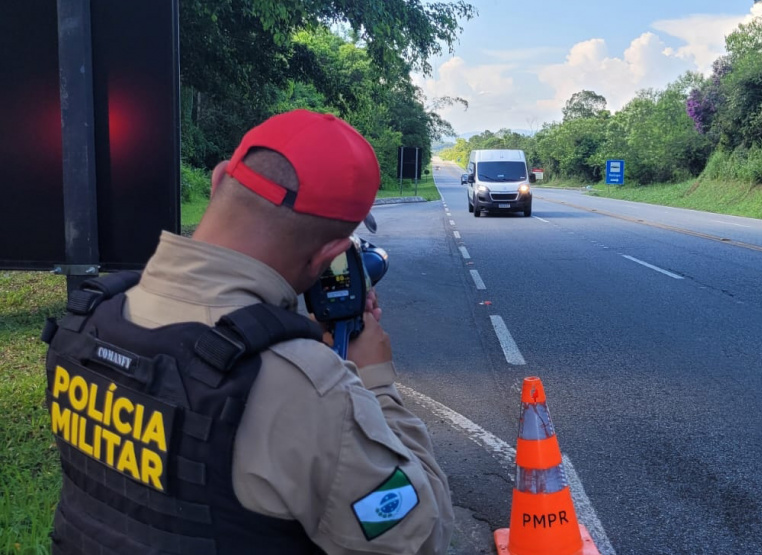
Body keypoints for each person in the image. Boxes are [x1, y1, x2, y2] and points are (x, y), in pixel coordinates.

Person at [42, 110, 454, 554]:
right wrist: (376, 384)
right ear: (327, 257)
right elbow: (420, 536)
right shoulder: (308, 389)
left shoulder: (87, 319)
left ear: (219, 181)